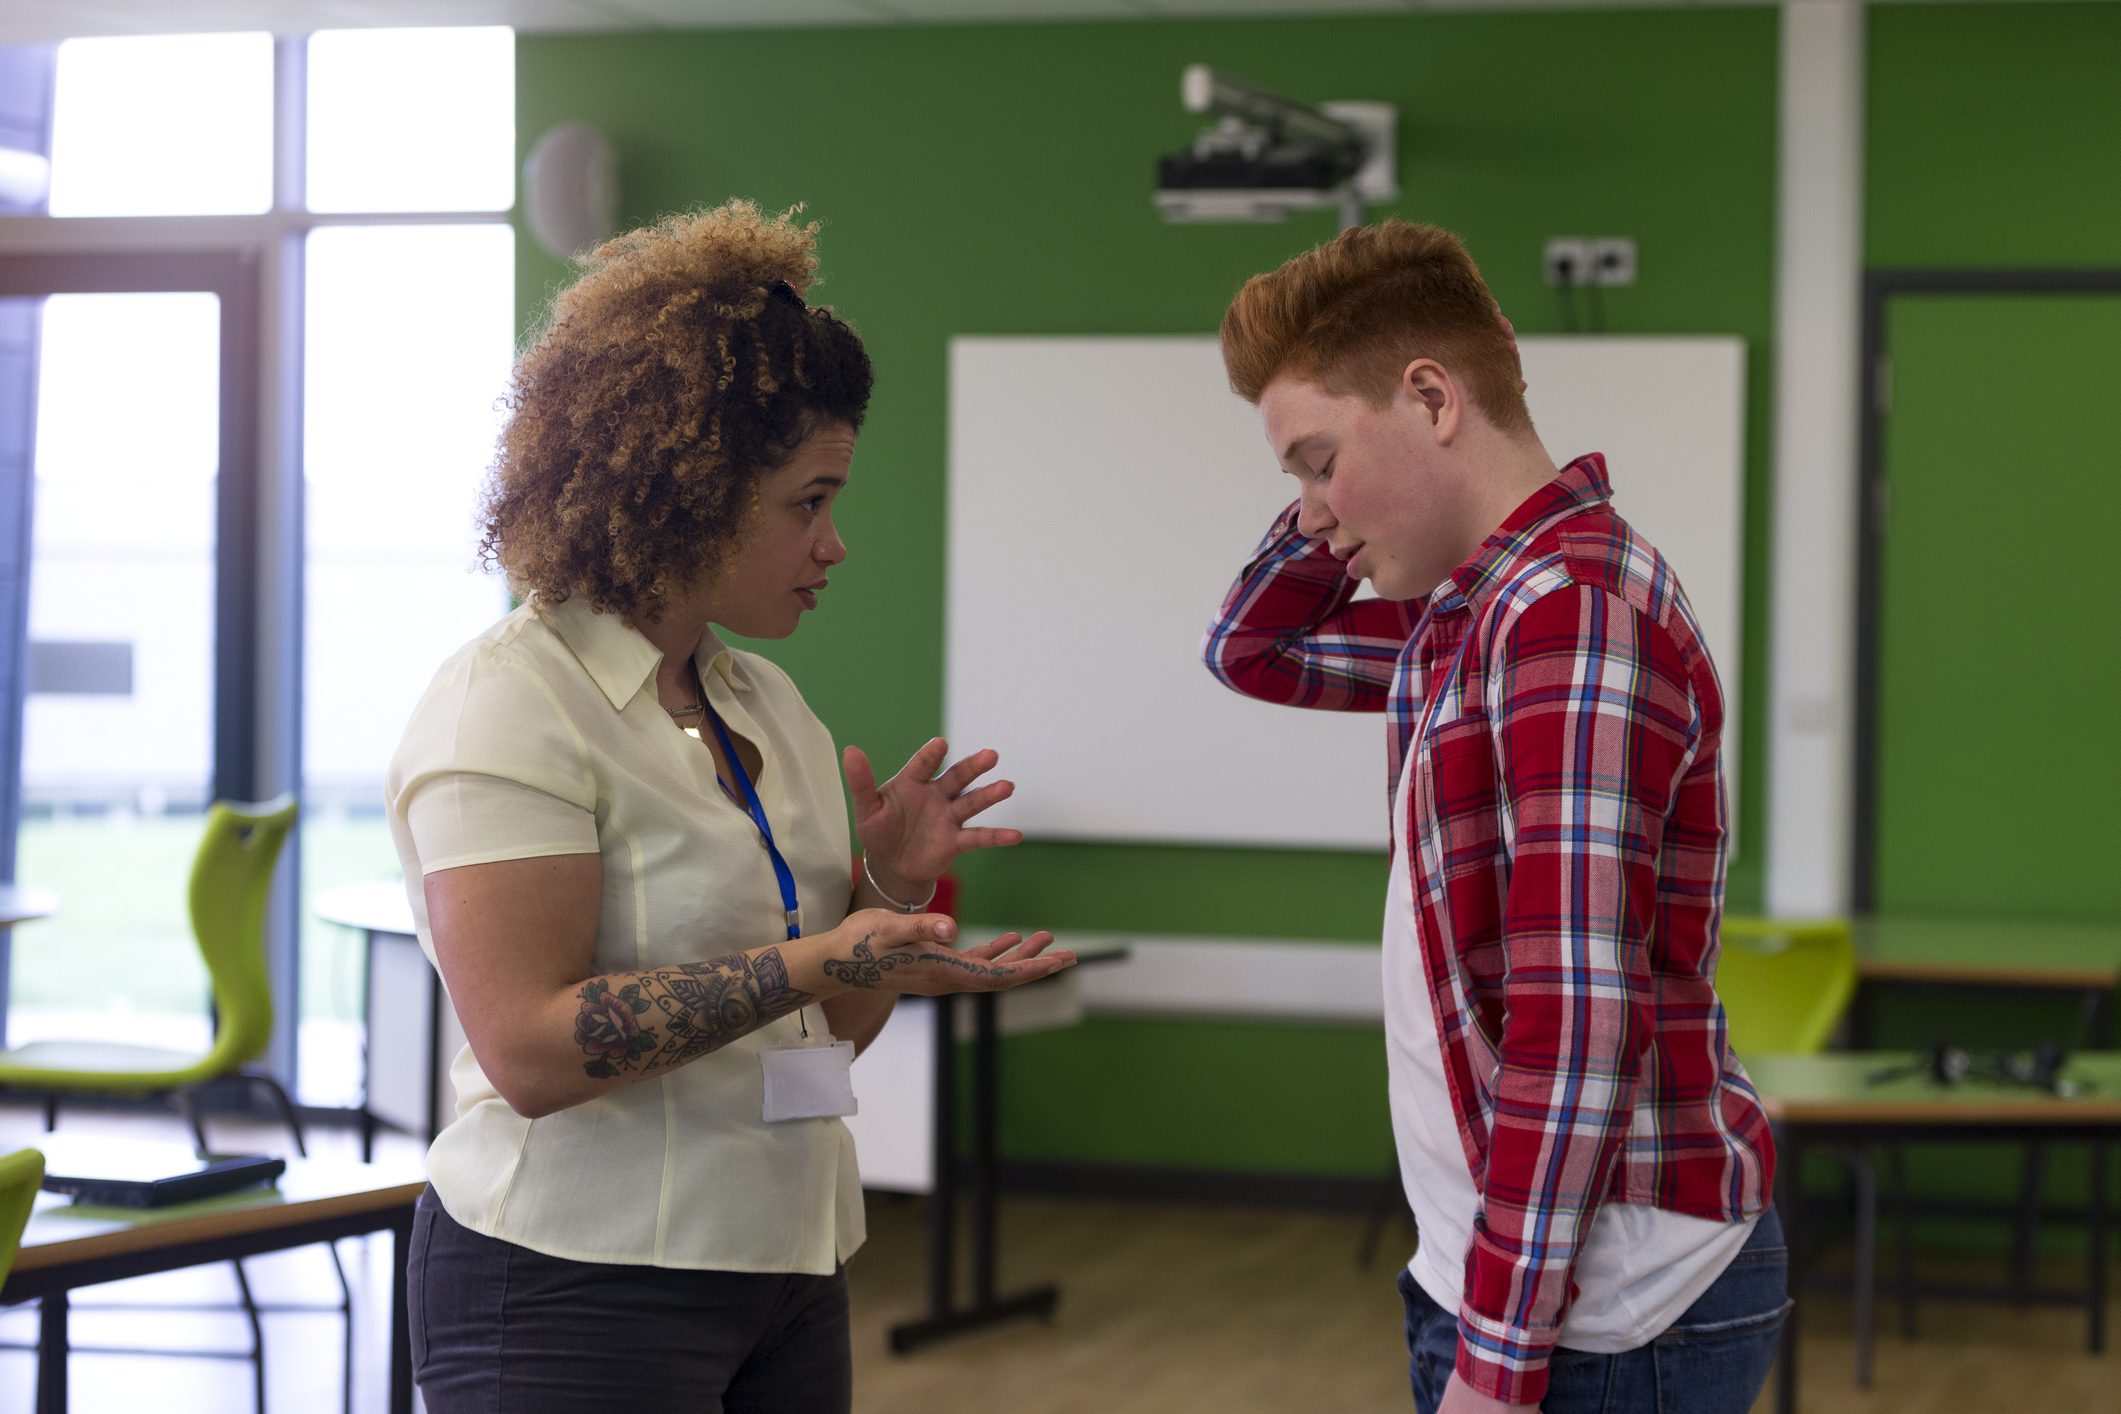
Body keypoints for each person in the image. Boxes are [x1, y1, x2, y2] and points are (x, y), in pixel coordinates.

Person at [385, 200, 1074, 1413]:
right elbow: (530, 1050)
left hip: (787, 1262)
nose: (835, 544)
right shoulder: (508, 704)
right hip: (568, 1280)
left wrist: (893, 890)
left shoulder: (767, 703)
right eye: (809, 501)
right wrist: (820, 954)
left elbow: (827, 1030)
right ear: (687, 492)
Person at [1202, 221, 1785, 1414]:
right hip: (1497, 1273)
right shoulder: (1467, 616)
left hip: (1608, 1314)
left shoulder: (1569, 619)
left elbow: (1575, 1025)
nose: (1312, 513)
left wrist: (1501, 1361)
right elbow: (1253, 648)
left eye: (1319, 461)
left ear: (1432, 398)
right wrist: (1327, 502)